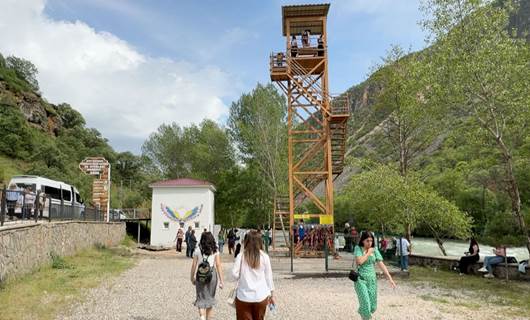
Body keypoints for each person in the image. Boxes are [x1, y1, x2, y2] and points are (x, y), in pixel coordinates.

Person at [232, 230, 275, 320]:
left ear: (246, 241)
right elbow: (269, 277)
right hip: (261, 296)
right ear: (260, 242)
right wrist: (272, 294)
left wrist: (242, 275)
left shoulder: (241, 256)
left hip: (243, 296)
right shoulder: (264, 257)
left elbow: (234, 274)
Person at [354, 231, 396, 320]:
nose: (370, 243)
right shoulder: (358, 248)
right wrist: (369, 252)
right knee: (366, 304)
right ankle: (365, 315)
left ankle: (363, 312)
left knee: (372, 307)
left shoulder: (375, 249)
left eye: (371, 241)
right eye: (367, 241)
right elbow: (359, 262)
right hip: (360, 280)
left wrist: (390, 278)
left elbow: (381, 264)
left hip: (372, 280)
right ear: (362, 241)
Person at [190, 232, 224, 320]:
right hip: (212, 275)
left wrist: (191, 278)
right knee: (210, 298)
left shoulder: (197, 249)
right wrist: (221, 281)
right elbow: (218, 265)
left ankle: (202, 317)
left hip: (200, 274)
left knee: (200, 298)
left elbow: (194, 265)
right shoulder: (215, 250)